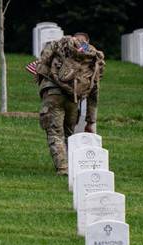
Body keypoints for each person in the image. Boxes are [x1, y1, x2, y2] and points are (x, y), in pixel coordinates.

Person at [36, 32, 105, 175]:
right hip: (73, 98)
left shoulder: (60, 46)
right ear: (87, 41)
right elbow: (94, 92)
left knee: (55, 132)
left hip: (53, 94)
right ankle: (75, 165)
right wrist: (90, 121)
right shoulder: (92, 59)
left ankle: (63, 169)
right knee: (69, 133)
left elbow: (42, 63)